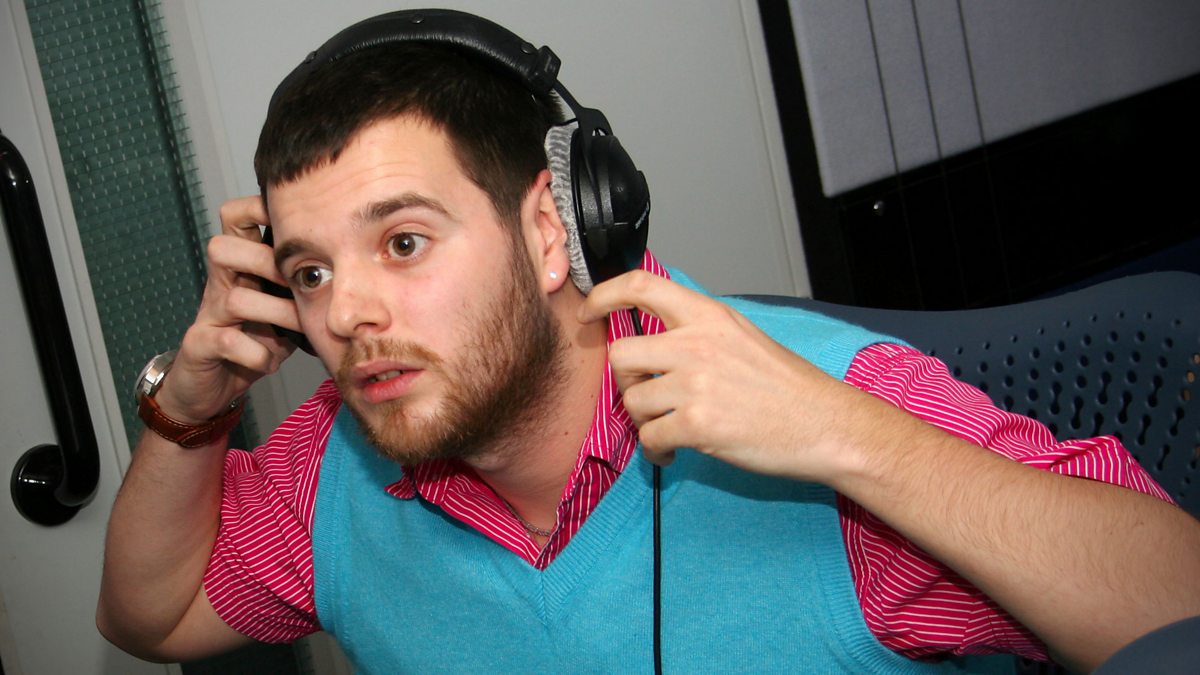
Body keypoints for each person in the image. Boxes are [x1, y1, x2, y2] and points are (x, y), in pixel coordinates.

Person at [97, 9, 1200, 674]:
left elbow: (1174, 602)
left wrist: (854, 441)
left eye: (404, 242)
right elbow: (154, 615)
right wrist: (191, 404)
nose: (346, 314)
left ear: (551, 229)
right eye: (310, 272)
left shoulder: (827, 419)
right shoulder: (337, 460)